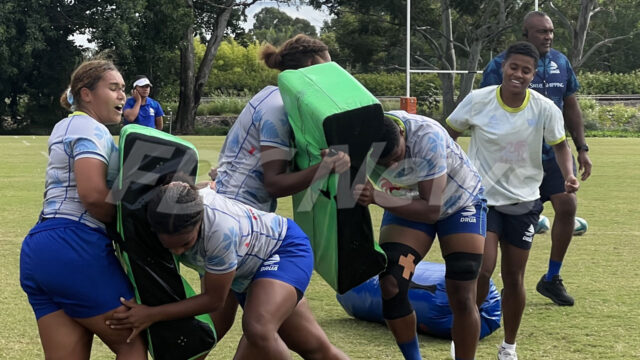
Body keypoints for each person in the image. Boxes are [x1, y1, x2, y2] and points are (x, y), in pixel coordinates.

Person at [209, 33, 350, 353]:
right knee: (235, 324)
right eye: (329, 68)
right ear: (313, 68)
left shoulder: (268, 97)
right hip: (241, 226)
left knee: (267, 329)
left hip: (237, 222)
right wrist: (325, 168)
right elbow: (274, 182)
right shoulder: (278, 107)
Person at [106, 180, 347, 360]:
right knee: (315, 349)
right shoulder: (173, 206)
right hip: (242, 272)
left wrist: (152, 314)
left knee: (258, 329)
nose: (178, 252)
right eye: (169, 246)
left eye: (186, 244)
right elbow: (193, 186)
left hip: (282, 250)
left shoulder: (221, 232)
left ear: (199, 221)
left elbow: (214, 300)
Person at [446, 42, 580, 360]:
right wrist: (444, 171)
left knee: (514, 276)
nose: (518, 74)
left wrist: (568, 174)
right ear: (503, 67)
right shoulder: (479, 101)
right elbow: (446, 134)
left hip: (524, 202)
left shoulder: (544, 108)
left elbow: (560, 146)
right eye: (514, 67)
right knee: (482, 267)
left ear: (533, 75)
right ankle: (467, 333)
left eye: (526, 70)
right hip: (481, 198)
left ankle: (508, 346)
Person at [19, 60, 147, 359]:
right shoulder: (89, 127)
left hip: (41, 248)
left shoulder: (67, 124)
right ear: (86, 94)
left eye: (123, 89)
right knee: (132, 345)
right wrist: (138, 222)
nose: (122, 96)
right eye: (113, 88)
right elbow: (92, 196)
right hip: (75, 243)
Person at [353, 110, 487, 360]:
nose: (393, 167)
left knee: (462, 289)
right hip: (404, 201)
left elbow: (430, 210)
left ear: (402, 133)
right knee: (391, 283)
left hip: (458, 203)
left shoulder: (428, 136)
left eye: (396, 157)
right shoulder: (357, 141)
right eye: (382, 164)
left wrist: (377, 196)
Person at [480, 10, 593, 306]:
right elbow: (485, 107)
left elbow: (571, 105)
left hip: (552, 155)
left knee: (568, 205)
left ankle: (552, 278)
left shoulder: (561, 62)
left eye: (551, 31)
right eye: (542, 31)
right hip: (513, 160)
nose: (549, 36)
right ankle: (493, 286)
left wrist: (581, 148)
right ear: (526, 33)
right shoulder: (499, 66)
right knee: (507, 224)